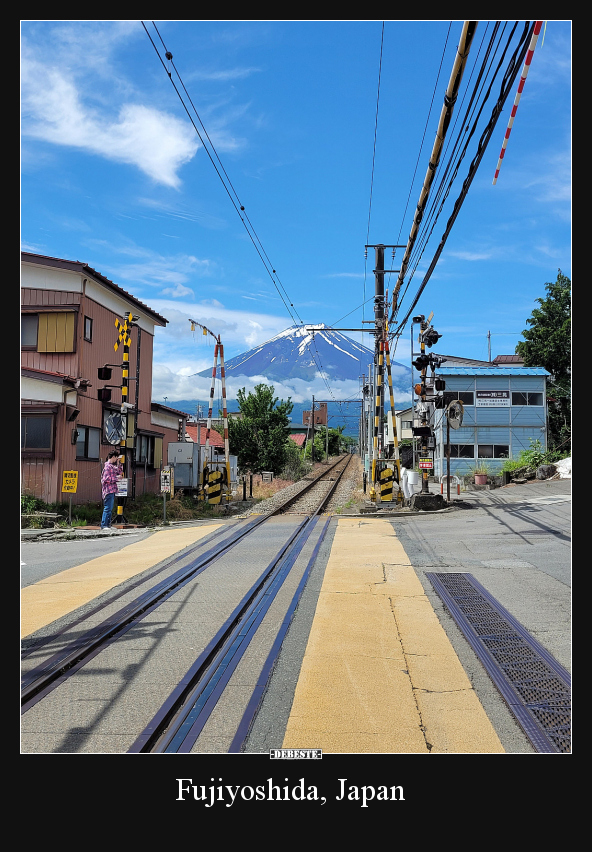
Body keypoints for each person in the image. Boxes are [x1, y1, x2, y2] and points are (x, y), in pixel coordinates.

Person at [101, 449, 122, 531]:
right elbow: (105, 479)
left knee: (110, 508)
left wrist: (119, 464)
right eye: (116, 458)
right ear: (113, 457)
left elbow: (119, 472)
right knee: (107, 508)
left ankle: (108, 525)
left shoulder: (112, 466)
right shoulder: (107, 467)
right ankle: (104, 525)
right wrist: (116, 478)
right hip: (108, 490)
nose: (116, 460)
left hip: (112, 490)